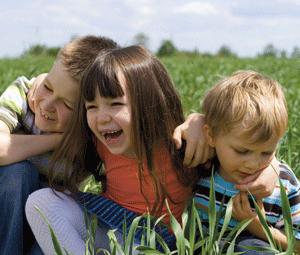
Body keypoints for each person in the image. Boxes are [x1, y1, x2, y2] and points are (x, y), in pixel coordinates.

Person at [26, 48, 281, 255]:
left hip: (154, 239)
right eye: (92, 106)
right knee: (40, 202)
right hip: (106, 219)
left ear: (149, 103)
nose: (101, 117)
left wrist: (272, 168)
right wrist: (32, 87)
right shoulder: (98, 141)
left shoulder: (184, 144)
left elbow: (243, 145)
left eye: (115, 104)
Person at [0, 35, 119, 255]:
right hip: (5, 215)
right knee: (19, 172)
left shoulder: (92, 137)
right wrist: (57, 140)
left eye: (66, 104)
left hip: (43, 216)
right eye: (47, 86)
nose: (46, 104)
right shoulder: (23, 94)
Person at [194, 70, 300, 254]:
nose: (253, 164)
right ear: (210, 136)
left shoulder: (283, 184)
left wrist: (256, 226)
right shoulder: (201, 166)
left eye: (267, 152)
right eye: (242, 151)